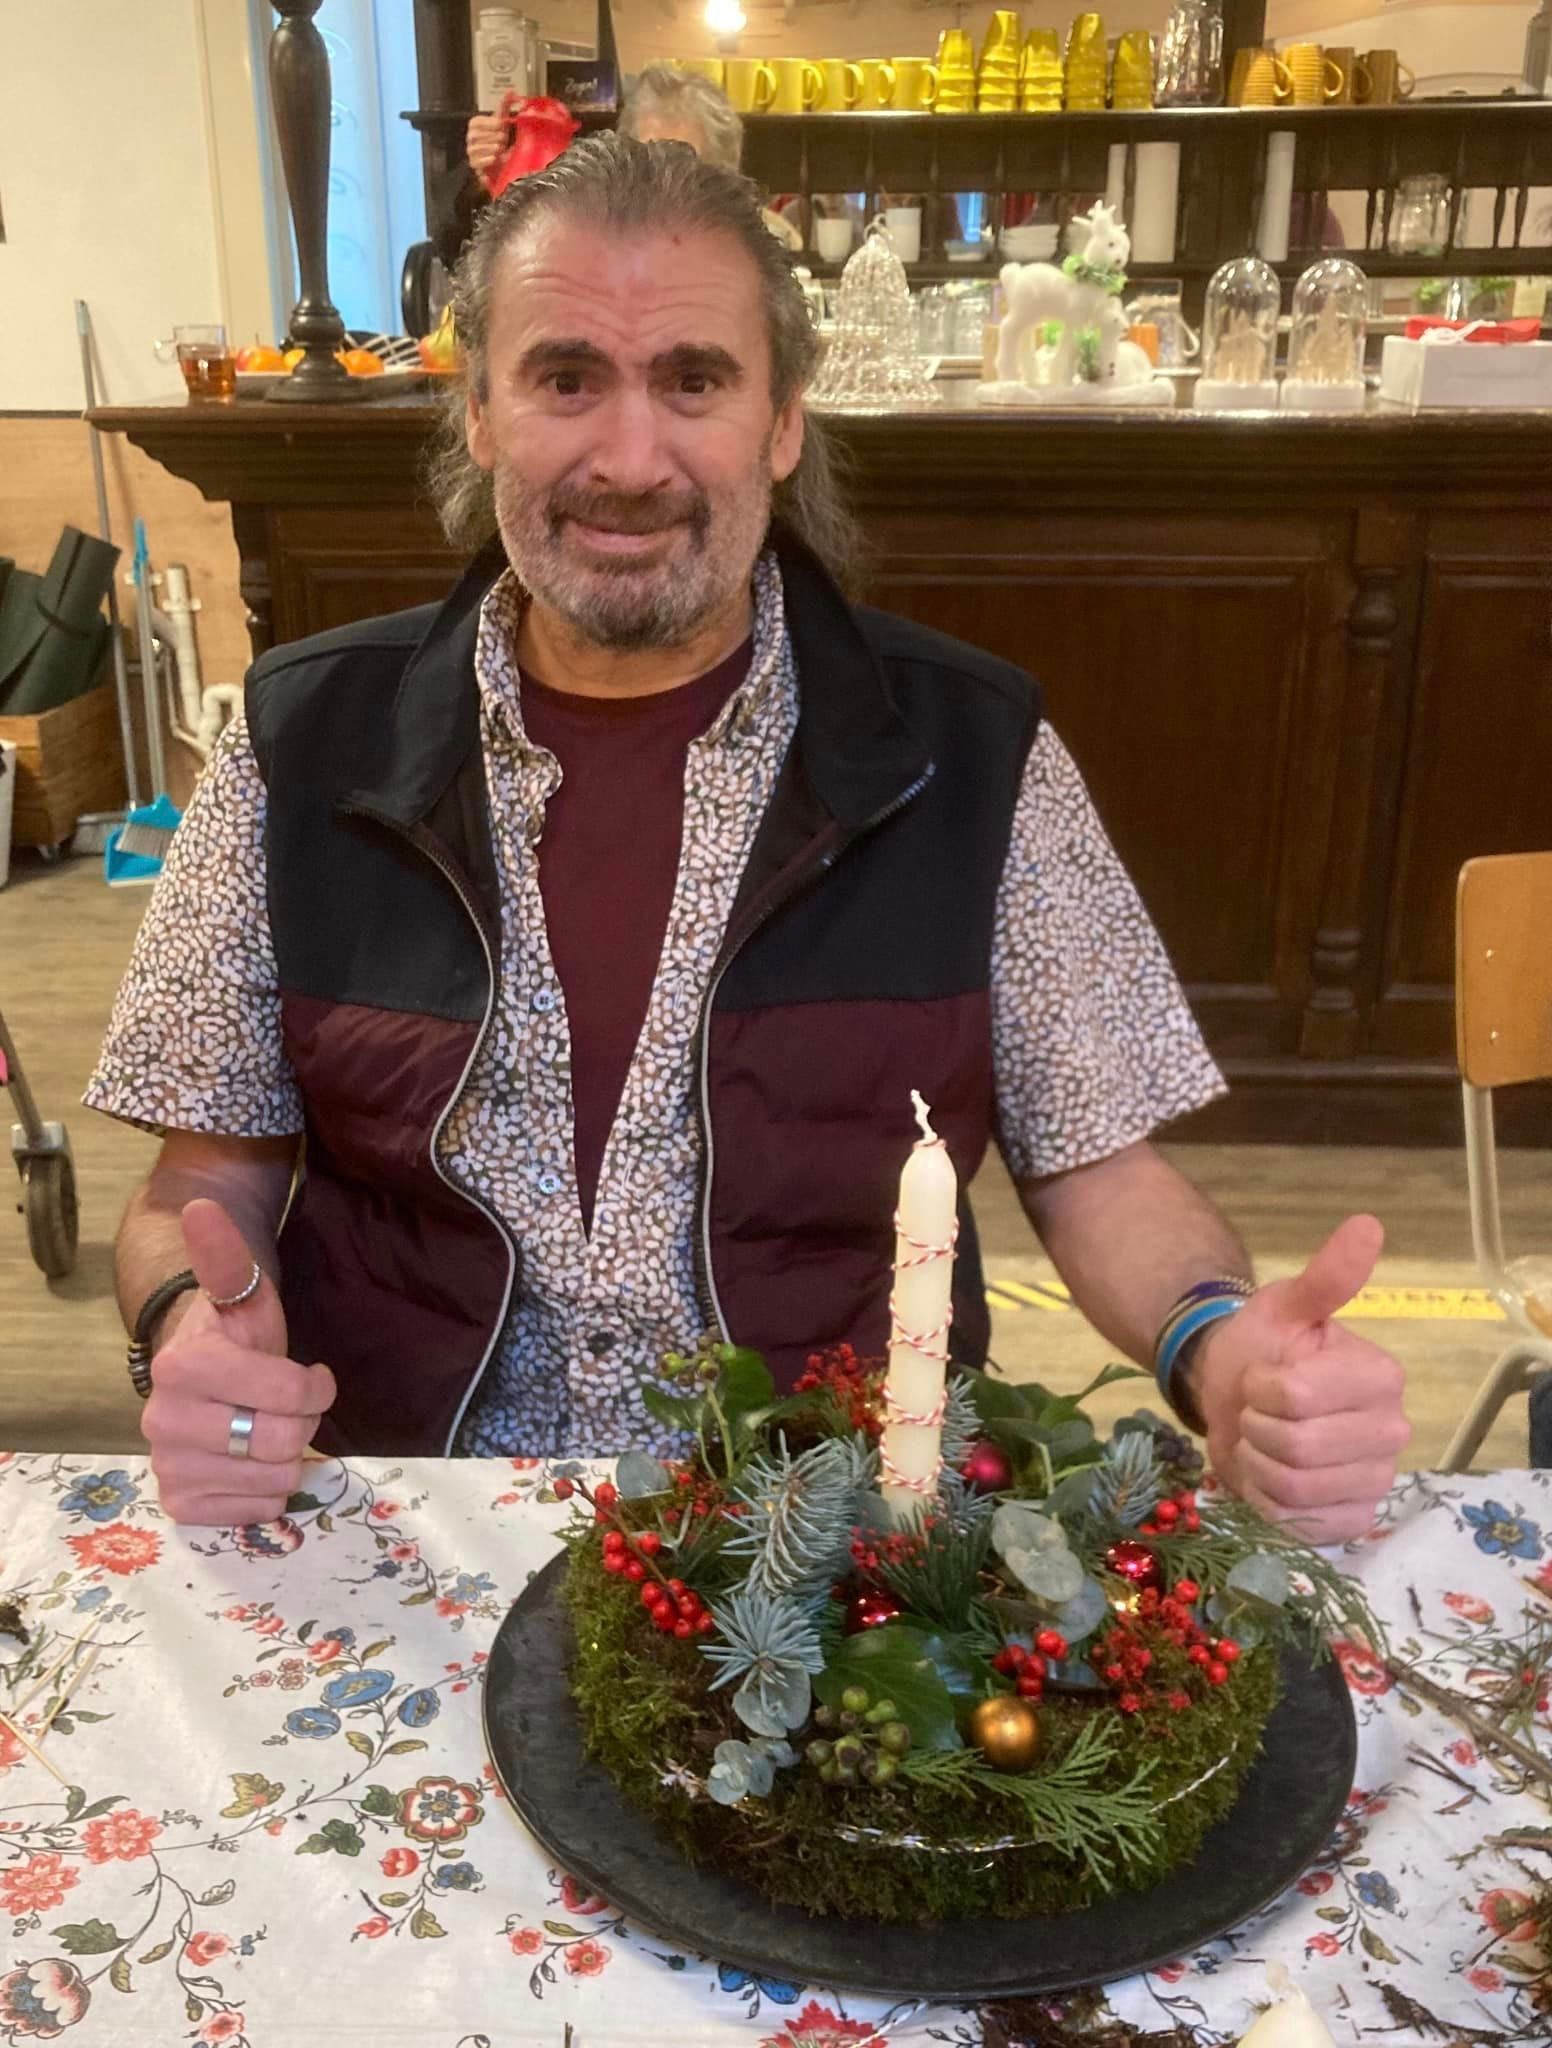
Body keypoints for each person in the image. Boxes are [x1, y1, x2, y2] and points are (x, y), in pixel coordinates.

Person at [88, 134, 1409, 1538]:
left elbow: (1099, 1169)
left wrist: (1221, 1342)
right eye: (565, 379)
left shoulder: (973, 756)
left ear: (782, 422)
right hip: (413, 1518)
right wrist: (191, 1329)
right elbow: (203, 1178)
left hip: (825, 1537)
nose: (629, 459)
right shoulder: (299, 743)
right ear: (477, 413)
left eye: (694, 381)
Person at [465, 65, 804, 249]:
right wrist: (495, 186)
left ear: (722, 175)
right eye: (646, 159)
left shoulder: (747, 257)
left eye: (679, 164)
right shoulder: (596, 236)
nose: (659, 178)